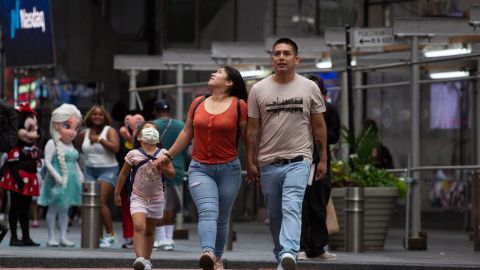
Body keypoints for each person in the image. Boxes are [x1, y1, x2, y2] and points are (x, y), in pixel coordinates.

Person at [246, 38, 328, 270]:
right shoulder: (258, 89)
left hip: (299, 160)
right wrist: (250, 160)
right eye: (277, 53)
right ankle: (281, 254)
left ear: (296, 59)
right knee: (275, 214)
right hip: (268, 162)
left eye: (287, 53)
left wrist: (322, 158)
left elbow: (319, 126)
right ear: (272, 59)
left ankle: (290, 252)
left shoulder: (309, 87)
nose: (281, 57)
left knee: (292, 206)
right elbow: (252, 129)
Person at [156, 65, 248, 270]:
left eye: (220, 72)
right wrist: (168, 154)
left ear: (230, 82)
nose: (214, 73)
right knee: (208, 212)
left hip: (229, 169)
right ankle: (207, 252)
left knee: (223, 217)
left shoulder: (240, 105)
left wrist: (252, 164)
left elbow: (249, 138)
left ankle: (217, 258)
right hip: (200, 168)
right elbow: (186, 134)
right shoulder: (198, 103)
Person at [114, 121, 175, 270]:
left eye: (153, 131)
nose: (150, 132)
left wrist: (164, 168)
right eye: (147, 130)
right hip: (138, 197)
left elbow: (172, 174)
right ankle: (139, 258)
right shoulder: (133, 154)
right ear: (139, 137)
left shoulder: (164, 153)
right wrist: (117, 193)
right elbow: (123, 174)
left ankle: (147, 259)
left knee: (150, 230)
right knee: (139, 226)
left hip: (156, 198)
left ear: (158, 138)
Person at [299, 75, 340, 261]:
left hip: (320, 162)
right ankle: (299, 246)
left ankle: (317, 247)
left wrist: (318, 132)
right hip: (300, 161)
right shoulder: (298, 109)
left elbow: (334, 135)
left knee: (318, 205)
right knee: (299, 206)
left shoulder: (329, 110)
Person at [38, 104, 83, 247]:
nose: (73, 132)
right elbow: (47, 162)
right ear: (57, 126)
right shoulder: (52, 143)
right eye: (68, 127)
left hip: (70, 181)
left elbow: (75, 163)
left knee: (65, 209)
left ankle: (63, 236)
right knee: (53, 208)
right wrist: (57, 176)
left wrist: (80, 176)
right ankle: (51, 237)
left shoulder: (71, 146)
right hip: (56, 181)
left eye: (75, 128)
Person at [75, 105, 120, 248]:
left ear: (104, 117)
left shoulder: (110, 131)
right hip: (89, 170)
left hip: (108, 169)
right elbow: (76, 147)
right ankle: (98, 236)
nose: (97, 117)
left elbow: (116, 148)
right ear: (90, 116)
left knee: (100, 201)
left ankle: (111, 235)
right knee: (90, 204)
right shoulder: (84, 133)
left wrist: (100, 139)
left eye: (100, 114)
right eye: (94, 114)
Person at [0, 103, 41, 246]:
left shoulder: (33, 145)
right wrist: (18, 180)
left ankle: (26, 236)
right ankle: (13, 237)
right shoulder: (15, 145)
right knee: (15, 208)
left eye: (35, 129)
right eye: (30, 128)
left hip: (29, 178)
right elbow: (12, 163)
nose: (34, 133)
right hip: (17, 178)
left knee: (26, 209)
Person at [152, 99, 187, 251]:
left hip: (157, 168)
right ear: (169, 111)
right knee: (171, 206)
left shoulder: (152, 125)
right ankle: (169, 239)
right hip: (177, 168)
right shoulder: (181, 125)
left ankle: (160, 239)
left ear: (155, 111)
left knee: (159, 204)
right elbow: (186, 148)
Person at [117, 112, 145, 249]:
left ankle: (144, 236)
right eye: (128, 123)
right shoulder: (121, 136)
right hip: (126, 176)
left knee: (145, 208)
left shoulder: (147, 137)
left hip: (144, 177)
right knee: (127, 207)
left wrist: (135, 137)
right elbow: (119, 153)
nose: (133, 126)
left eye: (138, 124)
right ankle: (129, 236)